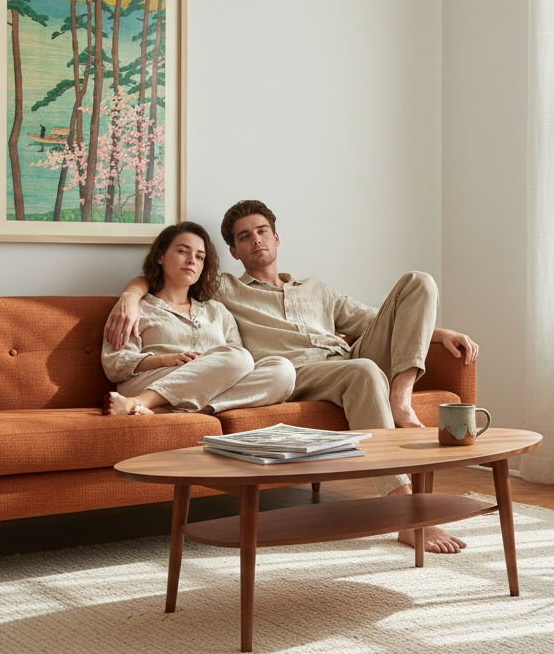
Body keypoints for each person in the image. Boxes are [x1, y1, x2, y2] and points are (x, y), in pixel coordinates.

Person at [104, 201, 479, 554]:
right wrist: (129, 298)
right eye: (244, 236)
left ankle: (401, 395)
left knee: (420, 281)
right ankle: (406, 514)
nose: (256, 240)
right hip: (300, 372)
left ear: (277, 237)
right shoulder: (224, 291)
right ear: (234, 251)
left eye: (262, 231)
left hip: (347, 357)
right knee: (363, 372)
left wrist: (440, 334)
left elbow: (378, 320)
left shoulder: (317, 289)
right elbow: (169, 275)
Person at [101, 221, 295, 417]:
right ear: (160, 256)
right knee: (239, 357)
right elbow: (115, 365)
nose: (192, 260)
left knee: (283, 371)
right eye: (183, 251)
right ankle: (143, 400)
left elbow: (238, 367)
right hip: (152, 379)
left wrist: (208, 369)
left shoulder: (217, 311)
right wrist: (163, 360)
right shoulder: (136, 308)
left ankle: (173, 410)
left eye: (200, 257)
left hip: (211, 387)